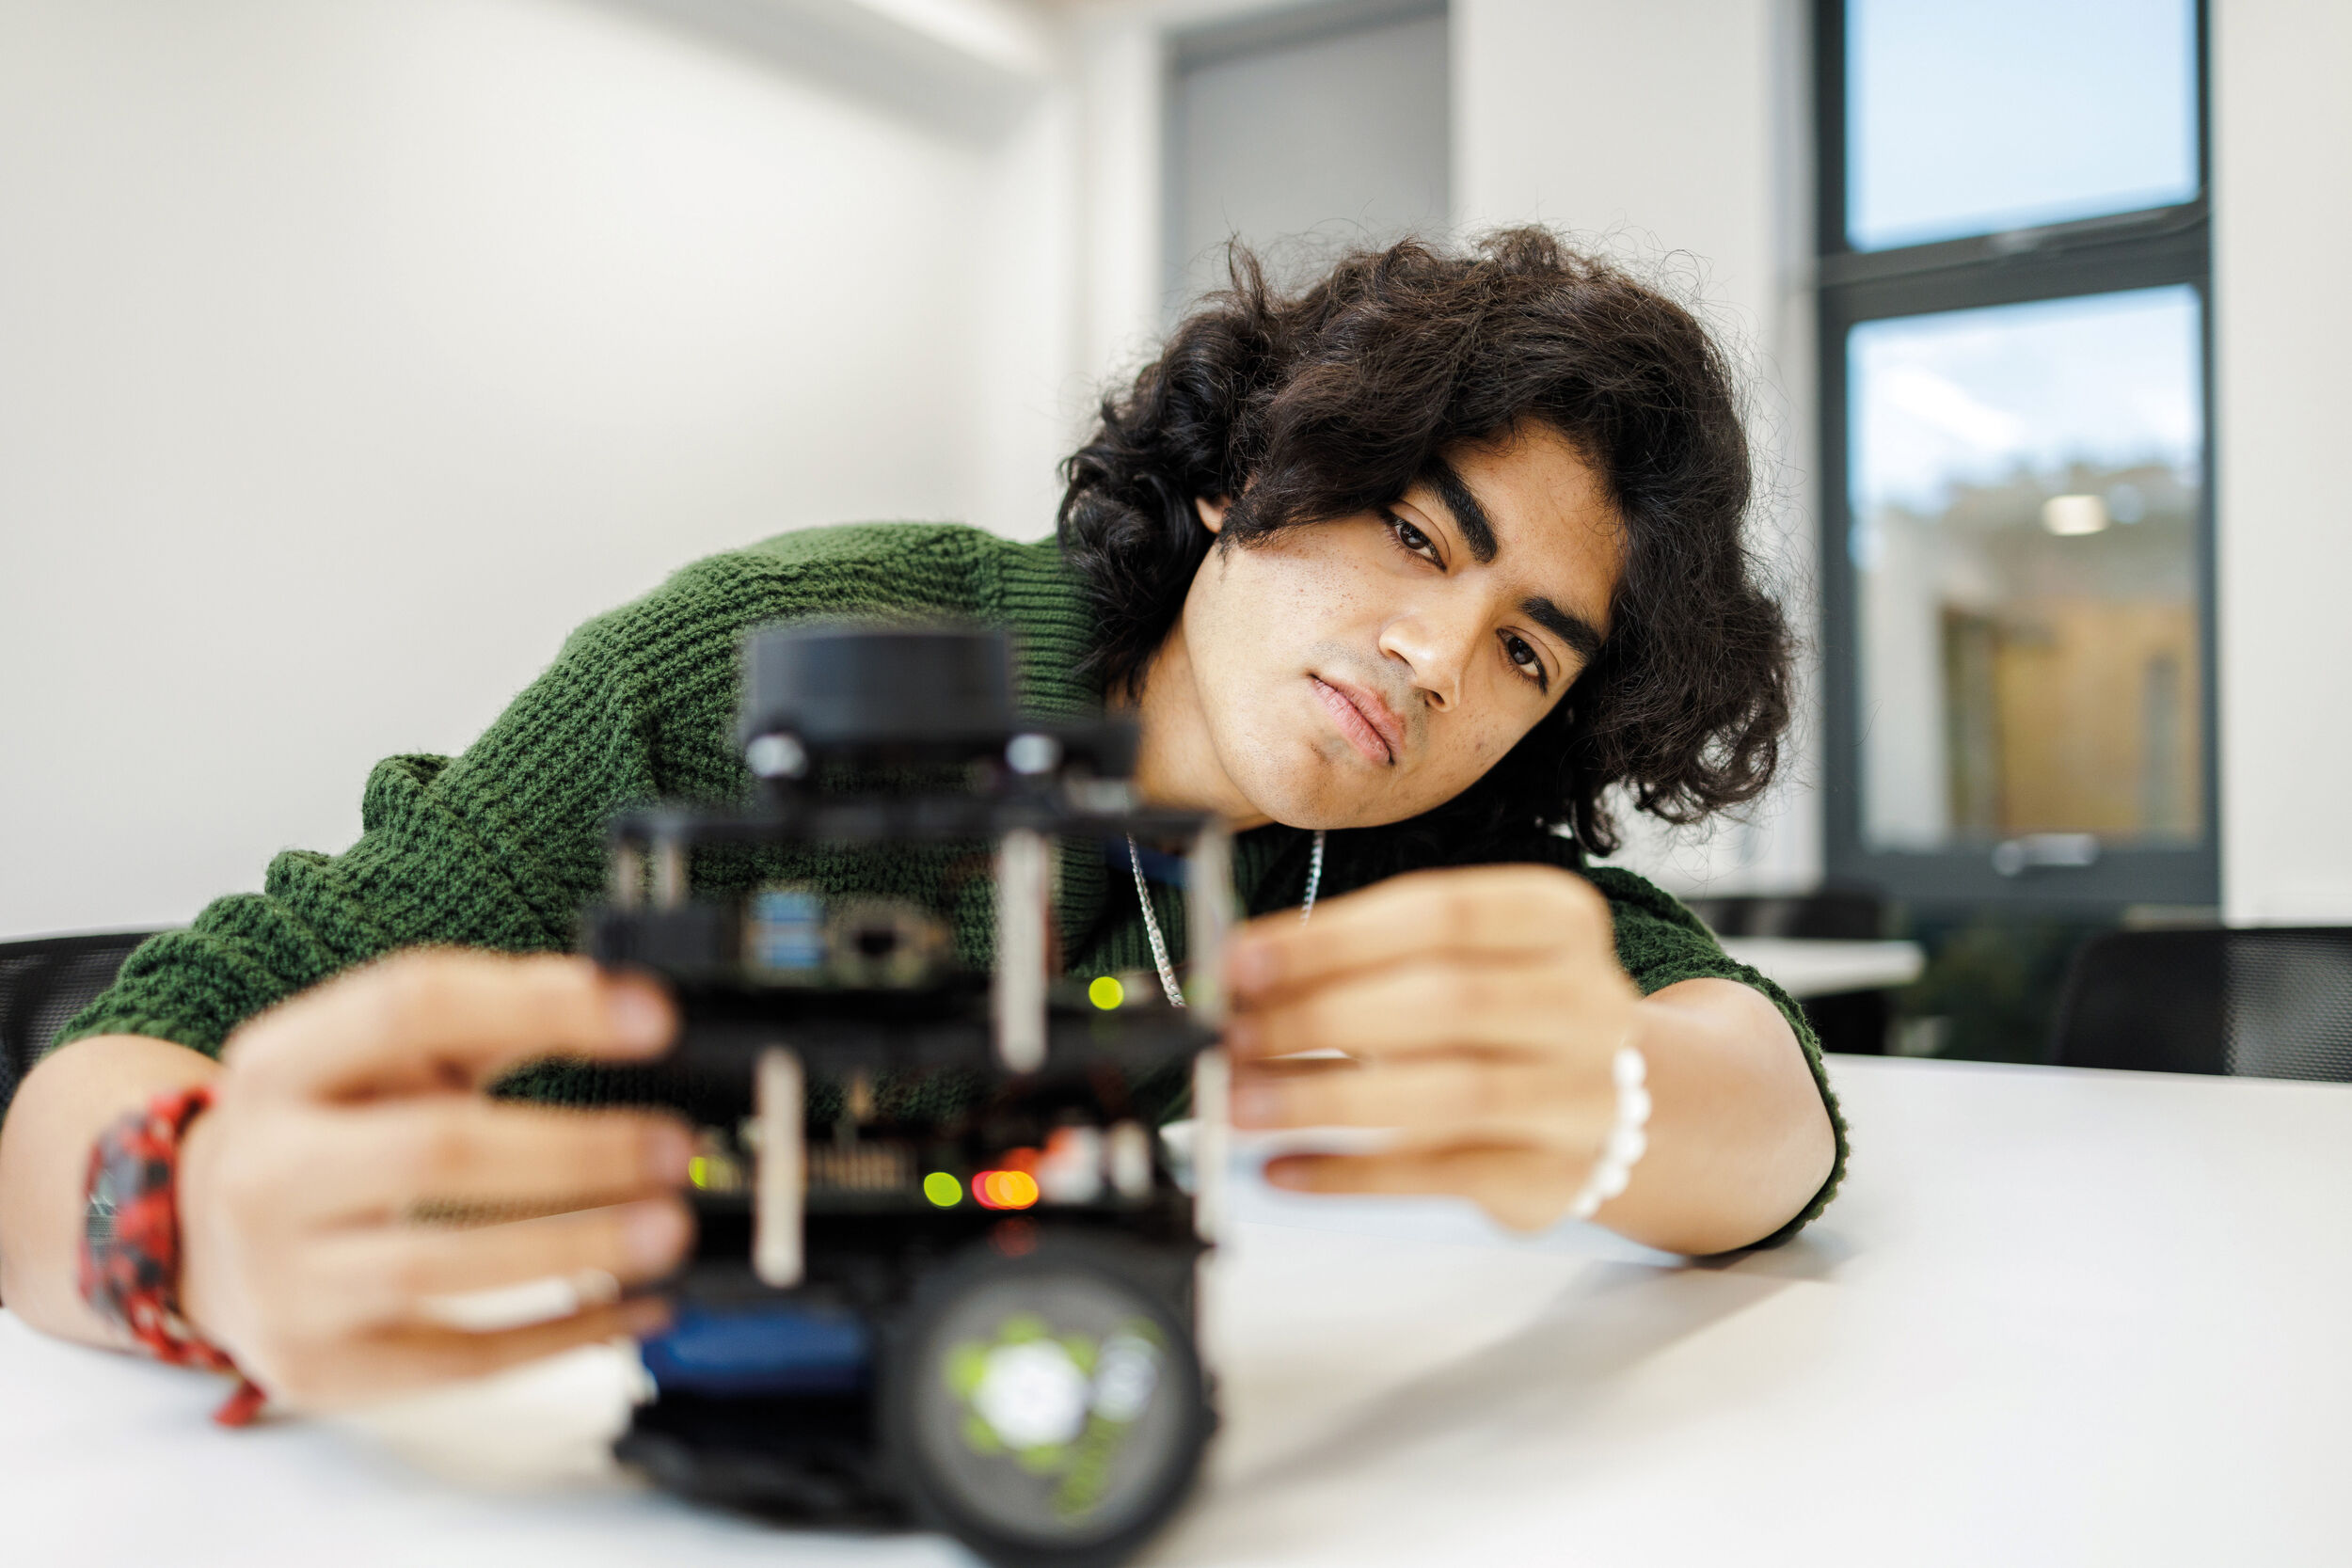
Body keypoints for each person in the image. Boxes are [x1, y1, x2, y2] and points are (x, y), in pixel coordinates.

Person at [0, 230, 1842, 1416]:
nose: (1435, 654)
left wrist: (1607, 1099)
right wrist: (170, 1232)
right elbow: (111, 1071)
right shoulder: (778, 670)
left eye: (1527, 648)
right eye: (1415, 535)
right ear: (1239, 477)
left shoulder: (1416, 843)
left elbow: (1769, 1103)